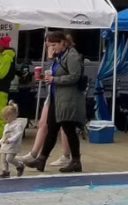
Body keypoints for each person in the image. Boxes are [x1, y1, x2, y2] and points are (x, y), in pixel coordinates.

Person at [25, 31, 85, 173]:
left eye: (53, 45)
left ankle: (76, 160)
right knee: (52, 129)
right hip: (55, 98)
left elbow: (74, 76)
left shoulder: (72, 56)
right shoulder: (58, 57)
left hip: (67, 99)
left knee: (69, 129)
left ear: (62, 42)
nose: (51, 48)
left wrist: (55, 80)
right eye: (48, 46)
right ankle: (42, 159)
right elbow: (50, 72)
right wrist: (50, 58)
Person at [0, 36, 16, 140]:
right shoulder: (3, 56)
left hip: (1, 88)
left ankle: (0, 133)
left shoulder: (6, 58)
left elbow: (1, 74)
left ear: (3, 46)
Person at [0, 101, 26, 179]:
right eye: (4, 118)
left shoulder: (18, 125)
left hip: (13, 145)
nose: (6, 120)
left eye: (7, 118)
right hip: (5, 144)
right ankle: (5, 171)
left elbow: (18, 135)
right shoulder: (6, 125)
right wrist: (0, 142)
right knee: (3, 158)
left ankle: (19, 165)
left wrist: (10, 140)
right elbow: (4, 135)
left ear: (14, 115)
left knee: (9, 158)